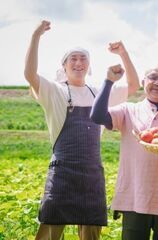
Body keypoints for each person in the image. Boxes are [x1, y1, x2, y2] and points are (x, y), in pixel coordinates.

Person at [24, 20, 140, 240]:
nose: (78, 62)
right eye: (73, 59)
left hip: (91, 174)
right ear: (64, 66)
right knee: (50, 230)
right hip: (62, 173)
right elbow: (30, 75)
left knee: (90, 233)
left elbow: (133, 85)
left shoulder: (99, 94)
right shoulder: (54, 92)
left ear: (89, 65)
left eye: (83, 58)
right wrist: (35, 36)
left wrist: (123, 53)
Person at [90, 64, 158, 240]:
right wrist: (109, 81)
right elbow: (97, 117)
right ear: (143, 82)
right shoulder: (128, 110)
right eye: (152, 77)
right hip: (134, 198)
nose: (157, 82)